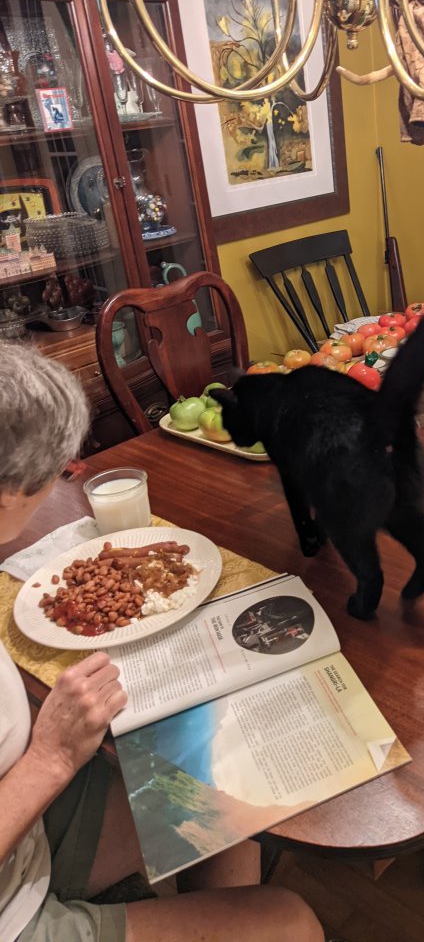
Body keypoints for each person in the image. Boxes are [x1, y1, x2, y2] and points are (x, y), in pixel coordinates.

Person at [0, 342, 325, 942]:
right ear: (7, 492)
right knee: (292, 922)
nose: (69, 473)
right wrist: (50, 759)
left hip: (30, 836)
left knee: (224, 779)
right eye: (59, 470)